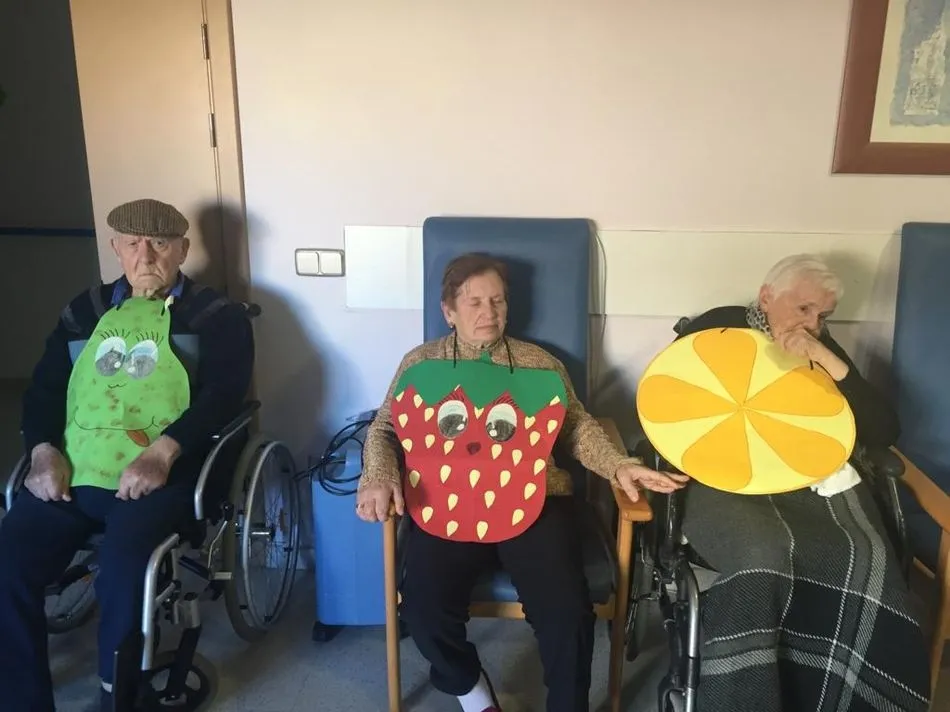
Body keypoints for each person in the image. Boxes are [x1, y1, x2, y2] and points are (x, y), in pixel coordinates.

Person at [356, 252, 687, 712]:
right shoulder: (420, 363)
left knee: (568, 613)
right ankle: (474, 695)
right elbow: (386, 429)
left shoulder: (539, 364)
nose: (488, 312)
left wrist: (618, 465)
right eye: (474, 302)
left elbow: (576, 427)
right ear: (449, 311)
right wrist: (377, 477)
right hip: (445, 502)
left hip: (536, 501)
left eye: (497, 300)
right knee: (423, 611)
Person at [0, 198, 255, 712]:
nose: (146, 257)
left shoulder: (216, 316)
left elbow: (224, 396)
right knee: (8, 562)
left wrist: (164, 451)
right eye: (133, 244)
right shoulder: (84, 312)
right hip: (72, 472)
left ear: (183, 249)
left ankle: (117, 696)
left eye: (160, 244)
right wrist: (43, 450)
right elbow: (46, 390)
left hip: (162, 475)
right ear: (116, 248)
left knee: (122, 569)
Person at [672, 254, 931, 712]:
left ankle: (840, 693)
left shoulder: (820, 349)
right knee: (763, 556)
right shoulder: (718, 327)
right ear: (767, 297)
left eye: (823, 315)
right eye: (804, 309)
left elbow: (883, 429)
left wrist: (827, 360)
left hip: (805, 480)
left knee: (867, 558)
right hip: (725, 478)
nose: (813, 324)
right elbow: (668, 400)